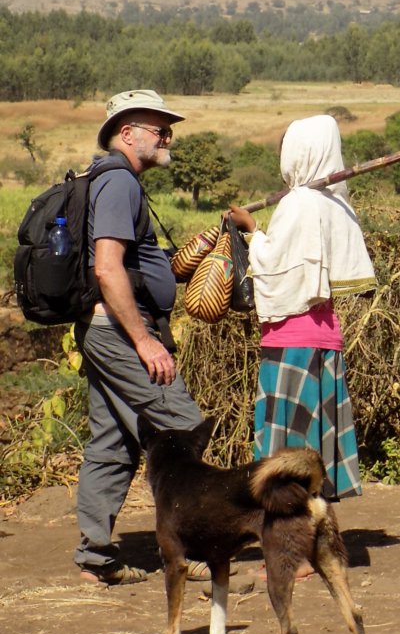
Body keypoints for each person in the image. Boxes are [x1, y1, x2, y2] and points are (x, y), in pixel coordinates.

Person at [75, 90, 204, 585]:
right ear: (126, 133)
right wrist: (145, 341)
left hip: (103, 330)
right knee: (183, 427)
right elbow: (108, 270)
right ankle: (189, 549)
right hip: (122, 332)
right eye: (158, 128)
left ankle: (95, 560)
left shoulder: (105, 178)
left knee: (112, 442)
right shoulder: (120, 184)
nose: (168, 135)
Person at [228, 115, 376, 502]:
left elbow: (274, 264)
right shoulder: (337, 205)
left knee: (285, 452)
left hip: (290, 342)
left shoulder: (299, 204)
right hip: (326, 339)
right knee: (314, 448)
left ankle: (289, 554)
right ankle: (314, 540)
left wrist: (250, 229)